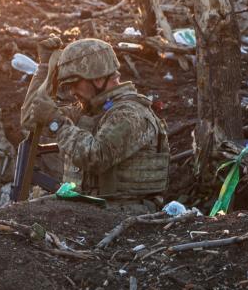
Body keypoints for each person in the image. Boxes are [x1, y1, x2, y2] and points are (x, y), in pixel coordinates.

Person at [22, 38, 169, 202]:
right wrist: (45, 69)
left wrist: (57, 122)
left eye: (75, 83)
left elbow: (96, 156)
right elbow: (31, 119)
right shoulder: (88, 110)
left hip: (124, 211)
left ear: (98, 79)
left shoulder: (131, 113)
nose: (71, 92)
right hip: (89, 208)